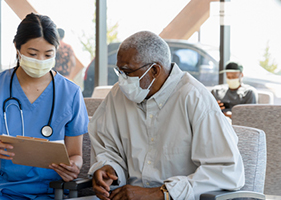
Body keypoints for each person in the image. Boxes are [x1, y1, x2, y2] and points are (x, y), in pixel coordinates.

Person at [88, 31, 245, 200]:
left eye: (128, 72)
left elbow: (227, 172)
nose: (122, 80)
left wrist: (162, 193)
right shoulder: (118, 95)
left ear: (155, 70)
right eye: (119, 72)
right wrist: (109, 168)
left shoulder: (194, 98)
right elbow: (107, 147)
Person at [0, 13, 89, 200]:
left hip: (53, 190)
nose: (40, 60)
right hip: (2, 189)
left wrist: (73, 167)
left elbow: (75, 154)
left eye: (48, 54)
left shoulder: (71, 93)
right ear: (17, 49)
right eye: (33, 54)